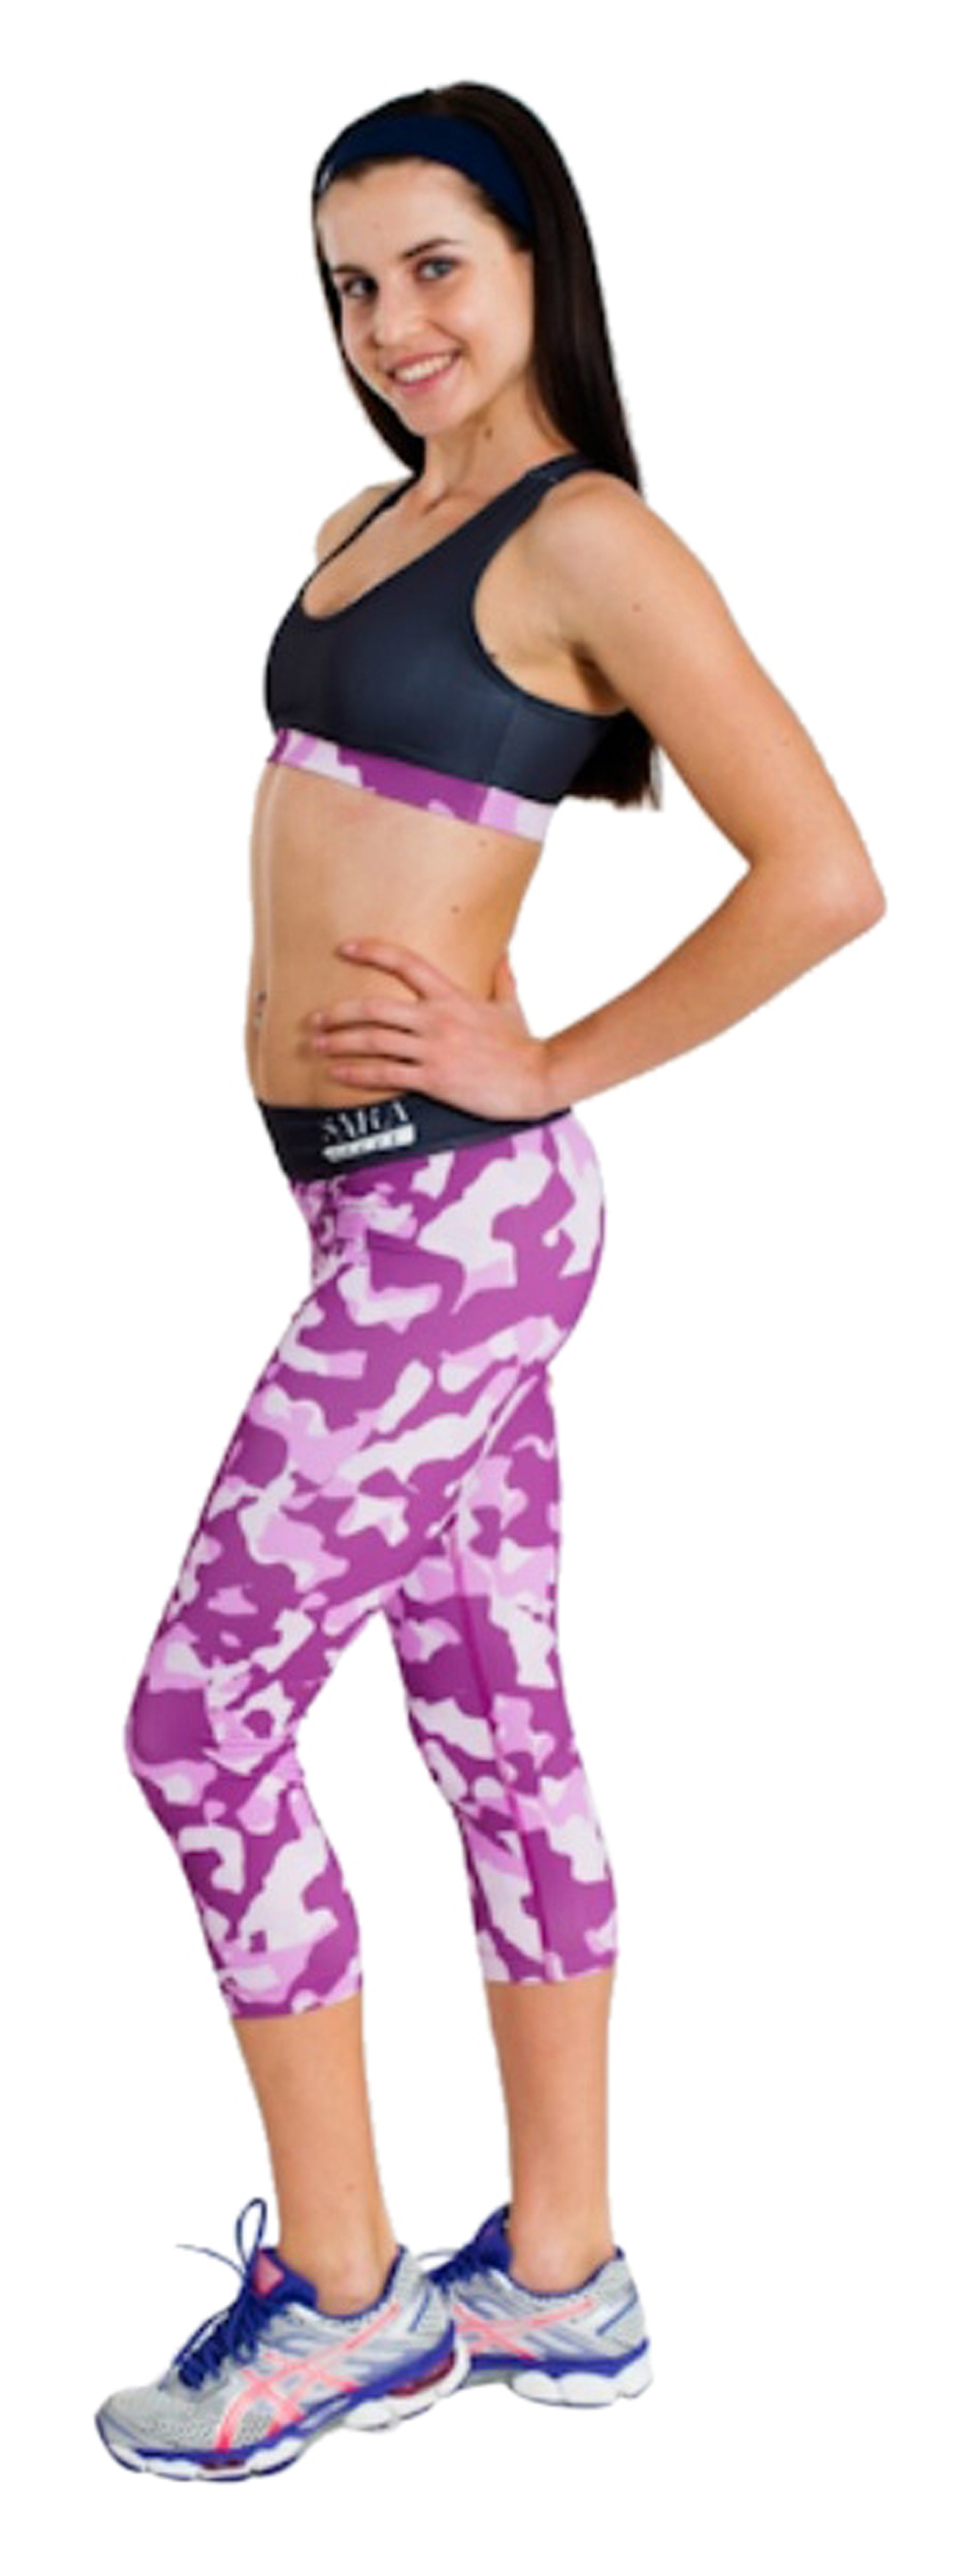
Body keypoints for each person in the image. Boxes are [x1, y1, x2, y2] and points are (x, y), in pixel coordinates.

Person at [95, 80, 886, 2481]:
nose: (390, 322)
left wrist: (542, 1058)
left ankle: (345, 2304)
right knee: (492, 1726)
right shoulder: (365, 522)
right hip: (372, 1214)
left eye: (434, 265)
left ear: (536, 257)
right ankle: (560, 2271)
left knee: (198, 1720)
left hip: (461, 1219)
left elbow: (821, 871)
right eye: (350, 283)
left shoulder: (588, 537)